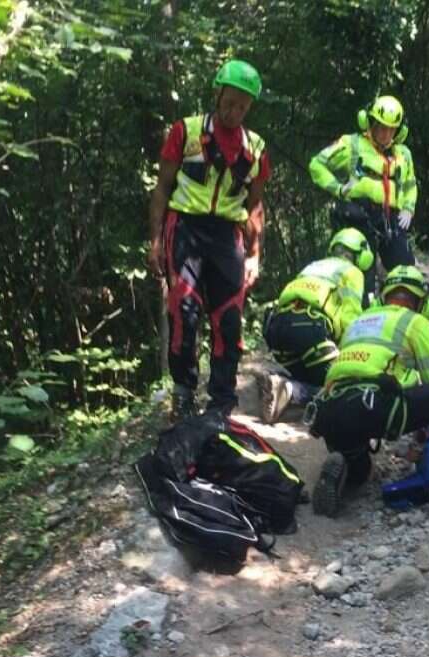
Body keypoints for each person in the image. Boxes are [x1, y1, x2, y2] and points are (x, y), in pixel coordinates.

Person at [306, 266, 429, 522]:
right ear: (421, 301)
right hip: (374, 404)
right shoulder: (414, 322)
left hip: (328, 409)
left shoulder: (359, 321)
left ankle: (347, 468)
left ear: (385, 295)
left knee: (359, 462)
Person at [148, 59, 270, 421]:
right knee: (183, 312)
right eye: (231, 102)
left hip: (227, 237)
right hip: (184, 227)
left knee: (228, 321)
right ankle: (183, 394)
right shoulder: (185, 133)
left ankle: (221, 402)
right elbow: (162, 188)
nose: (235, 112)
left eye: (243, 106)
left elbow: (255, 204)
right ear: (217, 94)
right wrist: (155, 241)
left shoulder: (256, 149)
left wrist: (254, 255)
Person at [258, 228, 373, 424]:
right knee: (345, 387)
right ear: (361, 254)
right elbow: (351, 320)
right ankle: (292, 391)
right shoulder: (352, 272)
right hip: (310, 331)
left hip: (277, 332)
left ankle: (278, 383)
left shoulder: (313, 266)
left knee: (315, 373)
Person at [309, 95, 418, 301]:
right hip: (358, 216)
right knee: (361, 276)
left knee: (405, 272)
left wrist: (408, 208)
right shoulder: (352, 144)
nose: (386, 134)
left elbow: (411, 184)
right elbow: (317, 165)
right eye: (381, 127)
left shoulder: (403, 154)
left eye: (391, 129)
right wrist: (339, 189)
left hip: (391, 220)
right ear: (371, 123)